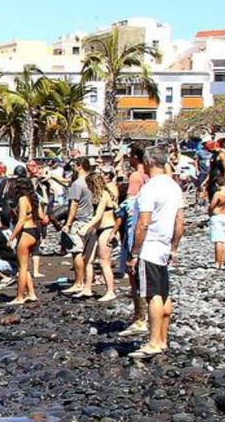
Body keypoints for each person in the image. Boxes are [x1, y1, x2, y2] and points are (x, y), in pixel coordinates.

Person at [127, 146, 186, 359]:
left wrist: (134, 252)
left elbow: (142, 223)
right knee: (164, 292)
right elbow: (180, 221)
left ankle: (153, 342)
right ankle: (162, 339)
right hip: (164, 246)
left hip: (149, 247)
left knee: (152, 294)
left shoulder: (149, 189)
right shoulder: (174, 187)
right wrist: (174, 247)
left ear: (149, 163)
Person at [74, 169, 119, 302]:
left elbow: (99, 215)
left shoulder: (104, 195)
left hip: (106, 229)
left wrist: (85, 228)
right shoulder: (96, 195)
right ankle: (87, 288)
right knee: (88, 259)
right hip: (97, 228)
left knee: (104, 262)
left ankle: (110, 291)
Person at [8, 177, 45, 304]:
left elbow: (21, 221)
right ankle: (31, 294)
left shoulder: (23, 199)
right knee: (25, 267)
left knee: (22, 267)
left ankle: (19, 297)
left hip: (26, 233)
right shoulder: (34, 198)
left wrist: (11, 237)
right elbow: (41, 217)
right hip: (35, 232)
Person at [61, 159, 93, 294]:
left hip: (79, 220)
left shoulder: (77, 184)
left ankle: (79, 282)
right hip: (91, 221)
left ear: (80, 167)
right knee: (89, 255)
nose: (73, 168)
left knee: (77, 252)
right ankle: (87, 281)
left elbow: (74, 205)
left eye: (74, 166)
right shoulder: (92, 182)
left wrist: (68, 224)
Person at [210, 175, 225, 270]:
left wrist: (209, 212)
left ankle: (217, 262)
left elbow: (212, 205)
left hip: (218, 216)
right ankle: (223, 262)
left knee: (218, 240)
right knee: (224, 240)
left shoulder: (218, 193)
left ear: (217, 184)